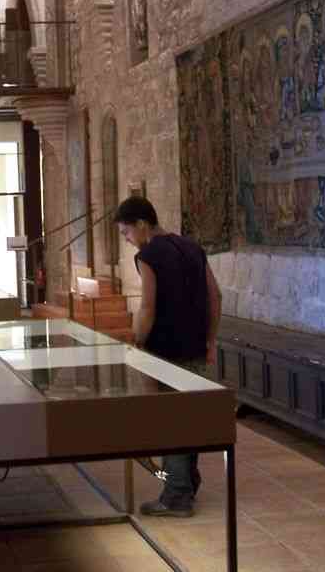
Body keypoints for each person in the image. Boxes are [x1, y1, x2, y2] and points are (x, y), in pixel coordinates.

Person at [114, 196, 222, 518]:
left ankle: (176, 497)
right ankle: (186, 482)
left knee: (171, 424)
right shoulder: (192, 247)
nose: (127, 239)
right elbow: (215, 295)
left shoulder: (148, 255)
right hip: (196, 348)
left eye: (126, 232)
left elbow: (147, 307)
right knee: (189, 421)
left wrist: (136, 342)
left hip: (165, 352)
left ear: (141, 224)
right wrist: (211, 340)